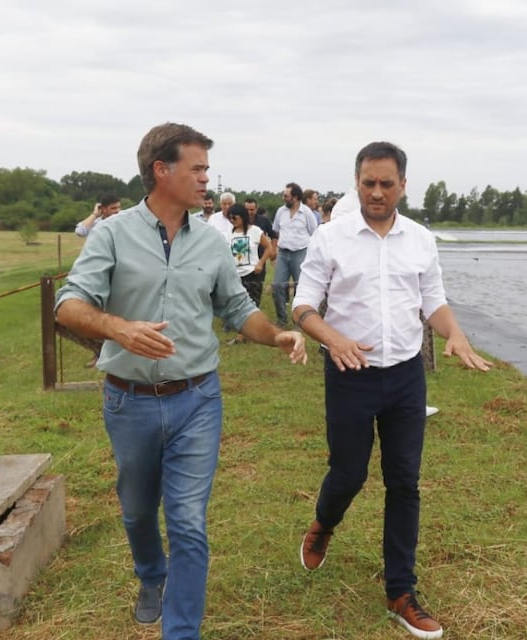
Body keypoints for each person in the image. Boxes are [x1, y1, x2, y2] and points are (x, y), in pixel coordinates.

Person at [54, 122, 307, 640]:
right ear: (160, 170)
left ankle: (181, 630)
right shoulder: (112, 233)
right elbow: (69, 304)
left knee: (188, 520)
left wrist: (274, 335)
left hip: (198, 399)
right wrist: (117, 328)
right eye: (197, 168)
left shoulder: (212, 243)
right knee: (138, 511)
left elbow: (237, 309)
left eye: (207, 170)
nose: (206, 180)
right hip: (130, 403)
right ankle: (152, 575)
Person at [291, 141, 492, 640]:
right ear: (356, 183)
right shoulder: (331, 237)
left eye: (386, 183)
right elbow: (303, 306)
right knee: (349, 473)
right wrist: (332, 337)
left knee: (404, 481)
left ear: (403, 184)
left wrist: (456, 334)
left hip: (405, 375)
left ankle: (401, 591)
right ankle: (323, 523)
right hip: (349, 374)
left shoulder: (420, 239)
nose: (376, 192)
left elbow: (434, 301)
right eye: (368, 183)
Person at [271, 182, 318, 326]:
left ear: (295, 197)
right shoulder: (280, 212)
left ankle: (299, 320)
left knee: (301, 288)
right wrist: (274, 250)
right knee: (277, 285)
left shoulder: (307, 213)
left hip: (300, 253)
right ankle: (282, 319)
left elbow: (314, 232)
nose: (283, 198)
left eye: (286, 196)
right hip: (283, 253)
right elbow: (276, 231)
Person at [227, 203, 272, 344]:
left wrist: (260, 263)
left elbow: (269, 247)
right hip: (236, 275)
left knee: (252, 305)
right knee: (238, 305)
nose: (232, 220)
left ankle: (245, 335)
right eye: (230, 217)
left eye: (235, 217)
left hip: (252, 273)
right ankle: (246, 334)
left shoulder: (255, 231)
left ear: (243, 217)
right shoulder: (230, 234)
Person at [243, 198, 276, 306]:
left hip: (259, 260)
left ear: (256, 209)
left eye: (252, 209)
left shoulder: (263, 221)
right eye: (247, 209)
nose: (249, 212)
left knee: (256, 289)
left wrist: (273, 251)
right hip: (243, 261)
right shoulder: (239, 221)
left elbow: (274, 235)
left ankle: (255, 311)